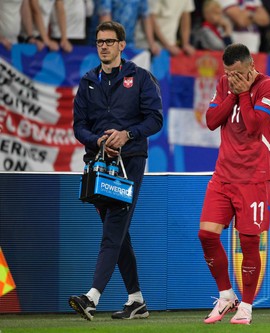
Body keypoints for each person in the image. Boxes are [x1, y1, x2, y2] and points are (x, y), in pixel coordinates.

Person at [69, 20, 163, 321]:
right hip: (98, 164)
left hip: (129, 163)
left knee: (113, 229)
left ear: (122, 45)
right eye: (100, 42)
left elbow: (155, 119)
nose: (104, 46)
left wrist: (127, 135)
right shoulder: (88, 81)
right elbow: (78, 126)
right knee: (118, 232)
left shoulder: (141, 78)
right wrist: (98, 140)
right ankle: (136, 300)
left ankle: (91, 297)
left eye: (110, 41)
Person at [198, 43, 270, 325]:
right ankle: (226, 294)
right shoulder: (225, 84)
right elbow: (210, 121)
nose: (231, 78)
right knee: (207, 235)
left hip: (253, 178)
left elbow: (254, 125)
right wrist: (233, 95)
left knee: (249, 242)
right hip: (223, 176)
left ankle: (246, 305)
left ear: (250, 67)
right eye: (228, 73)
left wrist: (243, 94)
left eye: (237, 74)